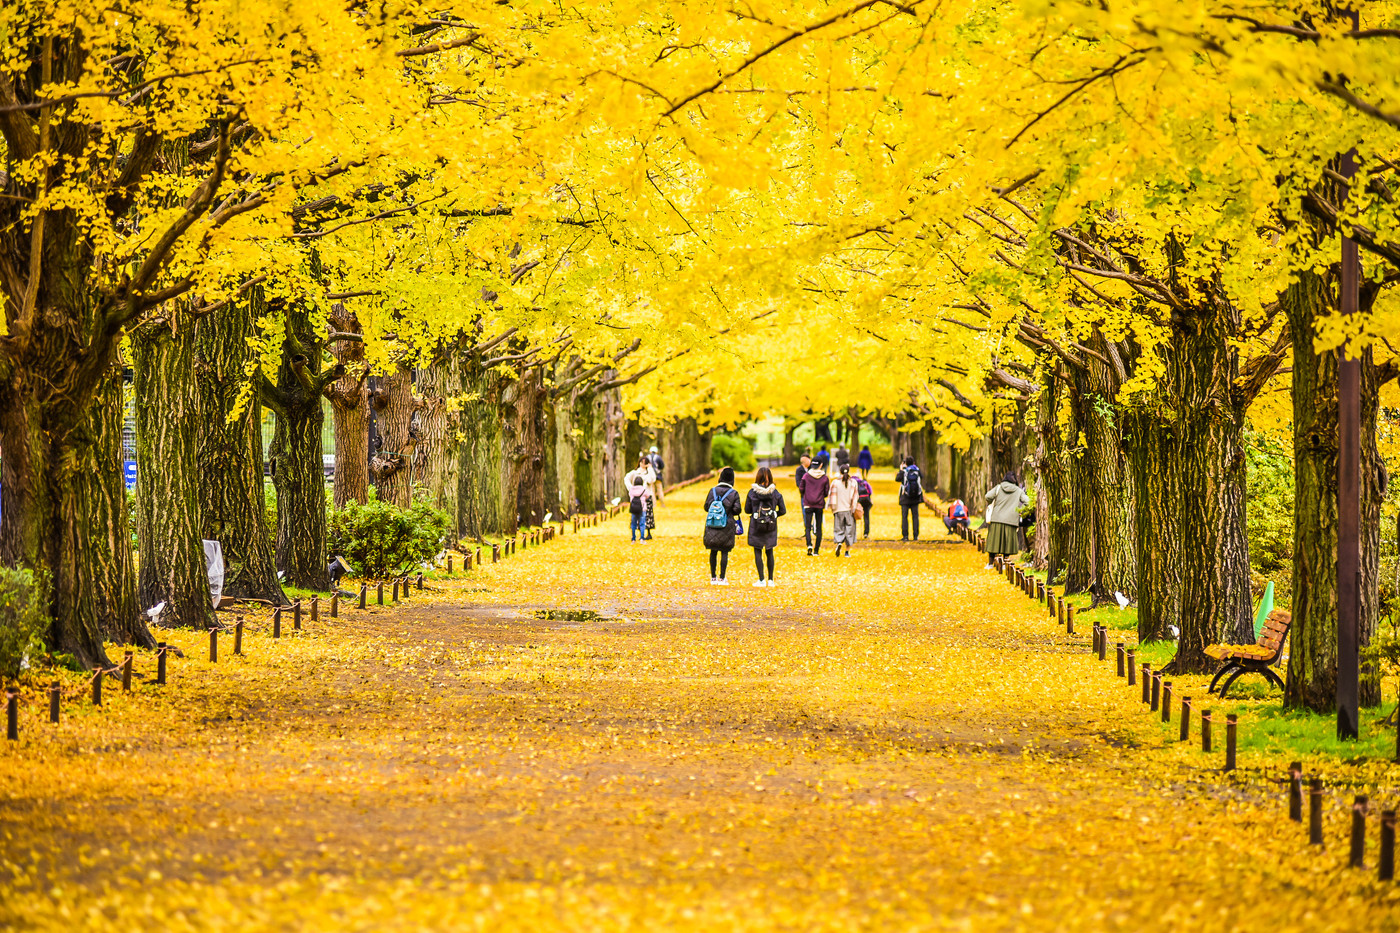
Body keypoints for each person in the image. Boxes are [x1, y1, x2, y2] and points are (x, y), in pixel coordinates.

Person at [744, 466, 787, 586]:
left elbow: (747, 510)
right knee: (769, 551)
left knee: (757, 550)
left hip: (756, 525)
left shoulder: (752, 493)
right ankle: (771, 580)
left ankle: (761, 579)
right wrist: (774, 514)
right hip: (771, 525)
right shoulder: (775, 493)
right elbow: (783, 510)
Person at [702, 466, 743, 584]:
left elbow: (706, 507)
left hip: (712, 524)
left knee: (713, 551)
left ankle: (713, 577)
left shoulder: (712, 491)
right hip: (727, 525)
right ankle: (722, 577)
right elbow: (737, 510)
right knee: (724, 551)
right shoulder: (733, 493)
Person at [984, 471, 1030, 568]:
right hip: (1011, 520)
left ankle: (990, 564)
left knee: (993, 542)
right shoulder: (1018, 491)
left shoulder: (999, 487)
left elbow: (988, 496)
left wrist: (991, 502)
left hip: (997, 518)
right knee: (1007, 543)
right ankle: (1005, 563)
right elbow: (1028, 502)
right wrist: (1021, 510)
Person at [798, 456, 829, 555]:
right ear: (821, 465)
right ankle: (816, 550)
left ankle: (809, 545)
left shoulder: (806, 476)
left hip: (808, 503)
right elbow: (826, 492)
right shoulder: (824, 478)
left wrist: (807, 494)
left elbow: (801, 489)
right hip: (819, 504)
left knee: (807, 526)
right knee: (819, 527)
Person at [827, 465, 860, 556]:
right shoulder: (853, 482)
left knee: (839, 528)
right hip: (849, 510)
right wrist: (853, 508)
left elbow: (831, 496)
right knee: (850, 530)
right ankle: (847, 551)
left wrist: (832, 508)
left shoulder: (835, 482)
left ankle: (839, 543)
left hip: (838, 510)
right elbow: (855, 497)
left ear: (840, 471)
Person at [894, 455, 923, 542]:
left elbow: (897, 479)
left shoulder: (904, 471)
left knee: (904, 516)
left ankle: (905, 535)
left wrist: (901, 469)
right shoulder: (917, 470)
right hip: (916, 497)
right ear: (913, 462)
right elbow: (922, 477)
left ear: (905, 463)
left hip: (905, 497)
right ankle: (915, 535)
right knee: (915, 517)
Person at [627, 474, 652, 543]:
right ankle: (642, 538)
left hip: (633, 509)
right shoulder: (644, 490)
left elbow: (630, 495)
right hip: (642, 508)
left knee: (633, 524)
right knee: (642, 523)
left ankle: (633, 538)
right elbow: (648, 496)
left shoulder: (631, 490)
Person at [856, 473, 874, 538]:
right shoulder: (865, 483)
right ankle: (866, 532)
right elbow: (870, 492)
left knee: (855, 516)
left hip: (859, 501)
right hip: (867, 501)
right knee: (866, 517)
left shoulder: (854, 483)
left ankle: (853, 532)